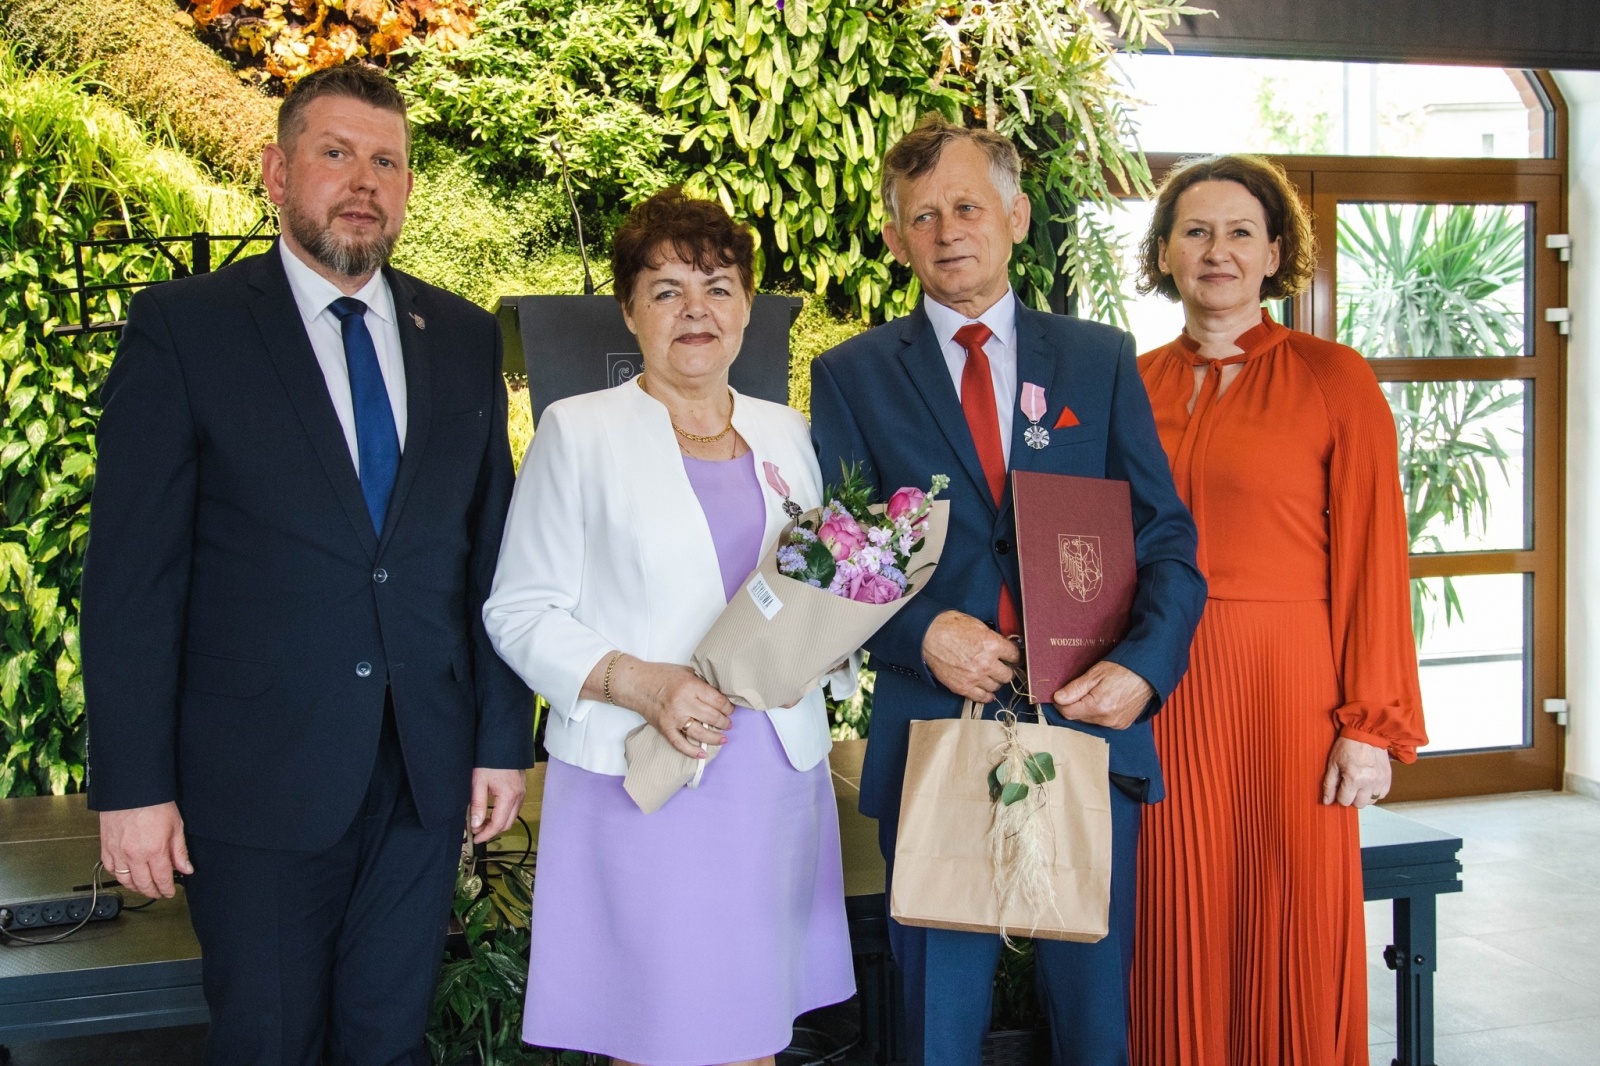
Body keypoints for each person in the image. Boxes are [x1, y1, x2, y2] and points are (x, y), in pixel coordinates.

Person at [81, 63, 533, 1064]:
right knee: (270, 1041)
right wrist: (132, 787)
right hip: (254, 779)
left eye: (387, 161)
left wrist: (502, 741)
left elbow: (487, 558)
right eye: (335, 154)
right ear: (276, 172)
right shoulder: (185, 329)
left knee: (386, 1041)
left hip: (422, 772)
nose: (363, 181)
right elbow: (130, 583)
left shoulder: (459, 337)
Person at [809, 115, 1206, 1066]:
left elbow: (1169, 542)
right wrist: (918, 632)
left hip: (1086, 729)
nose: (948, 231)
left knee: (1094, 1026)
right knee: (934, 1030)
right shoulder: (852, 375)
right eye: (922, 216)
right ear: (900, 238)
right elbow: (835, 558)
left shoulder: (1099, 359)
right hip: (937, 737)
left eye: (967, 206)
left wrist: (1144, 673)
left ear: (1016, 216)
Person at [483, 187, 855, 1066]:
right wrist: (641, 683)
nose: (697, 310)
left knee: (754, 1026)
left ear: (748, 309)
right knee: (651, 1032)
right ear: (629, 310)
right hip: (639, 777)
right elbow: (518, 608)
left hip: (771, 774)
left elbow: (819, 591)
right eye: (667, 290)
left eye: (719, 287)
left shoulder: (785, 432)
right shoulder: (578, 434)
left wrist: (832, 646)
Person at [1128, 154, 1429, 1066]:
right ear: (1167, 253)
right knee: (1173, 912)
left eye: (1239, 232)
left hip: (1292, 695)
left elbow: (1378, 559)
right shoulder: (1127, 383)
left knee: (1291, 913)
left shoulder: (1336, 378)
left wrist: (1370, 724)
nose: (1217, 250)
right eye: (1196, 230)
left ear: (1274, 254)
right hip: (1162, 689)